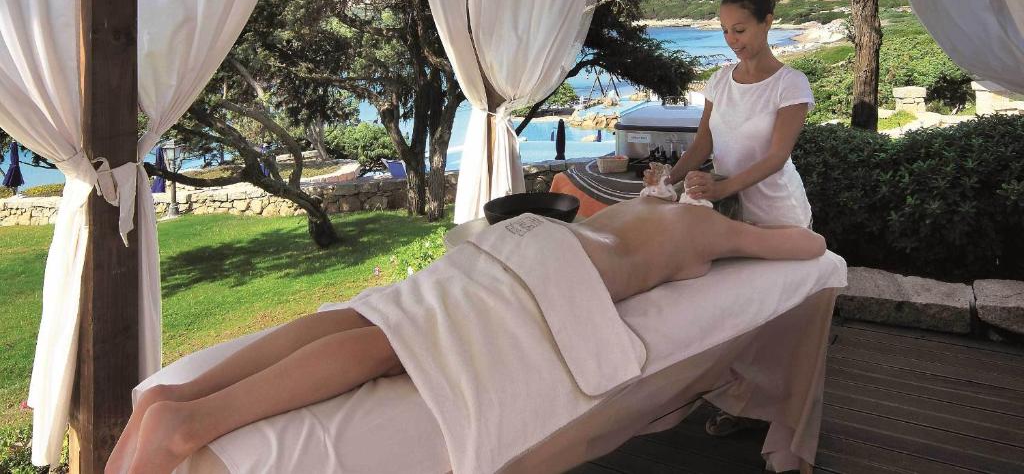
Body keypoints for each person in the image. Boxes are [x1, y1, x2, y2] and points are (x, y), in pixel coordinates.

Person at [107, 195, 826, 474]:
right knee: (398, 339)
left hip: (521, 241)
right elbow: (803, 246)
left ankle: (182, 397)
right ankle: (193, 420)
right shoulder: (702, 223)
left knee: (379, 313)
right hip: (556, 268)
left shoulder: (638, 203)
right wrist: (733, 225)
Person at [647, 0, 816, 436]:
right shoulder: (720, 80)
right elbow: (703, 144)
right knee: (736, 314)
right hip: (730, 214)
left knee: (777, 320)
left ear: (767, 23)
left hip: (778, 211)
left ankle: (778, 409)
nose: (731, 40)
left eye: (739, 29)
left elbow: (778, 156)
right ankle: (737, 402)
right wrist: (668, 181)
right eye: (724, 31)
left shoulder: (790, 84)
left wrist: (721, 186)